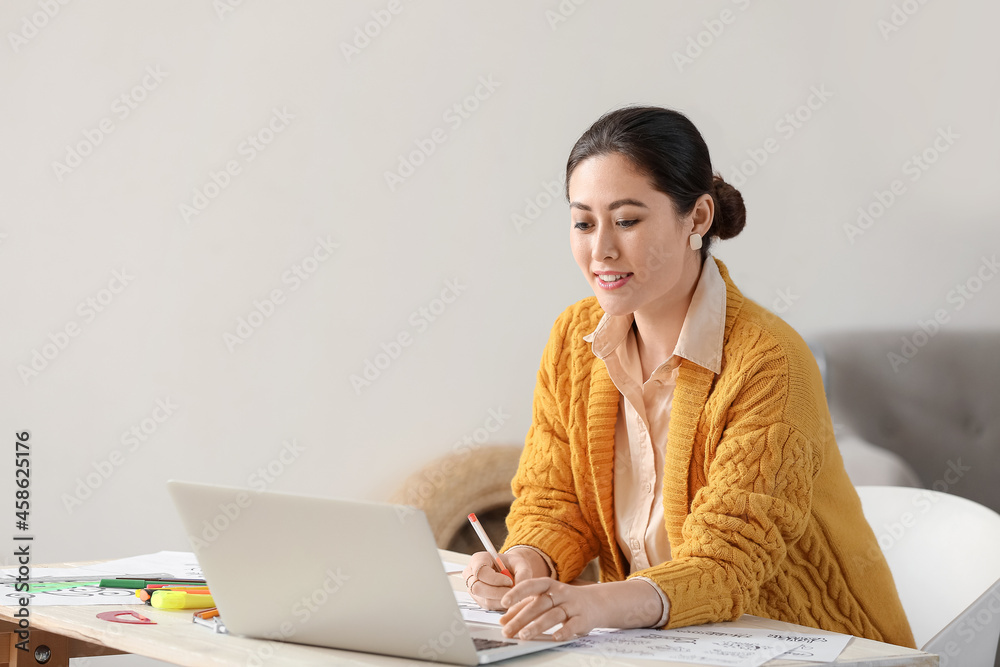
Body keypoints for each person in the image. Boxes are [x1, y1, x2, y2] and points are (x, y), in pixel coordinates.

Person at [462, 106, 915, 647]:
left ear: (697, 218)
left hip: (808, 647)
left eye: (627, 220)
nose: (600, 249)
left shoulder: (769, 362)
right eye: (583, 222)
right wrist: (526, 561)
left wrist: (590, 603)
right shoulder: (573, 339)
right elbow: (553, 501)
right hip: (663, 648)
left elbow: (726, 564)